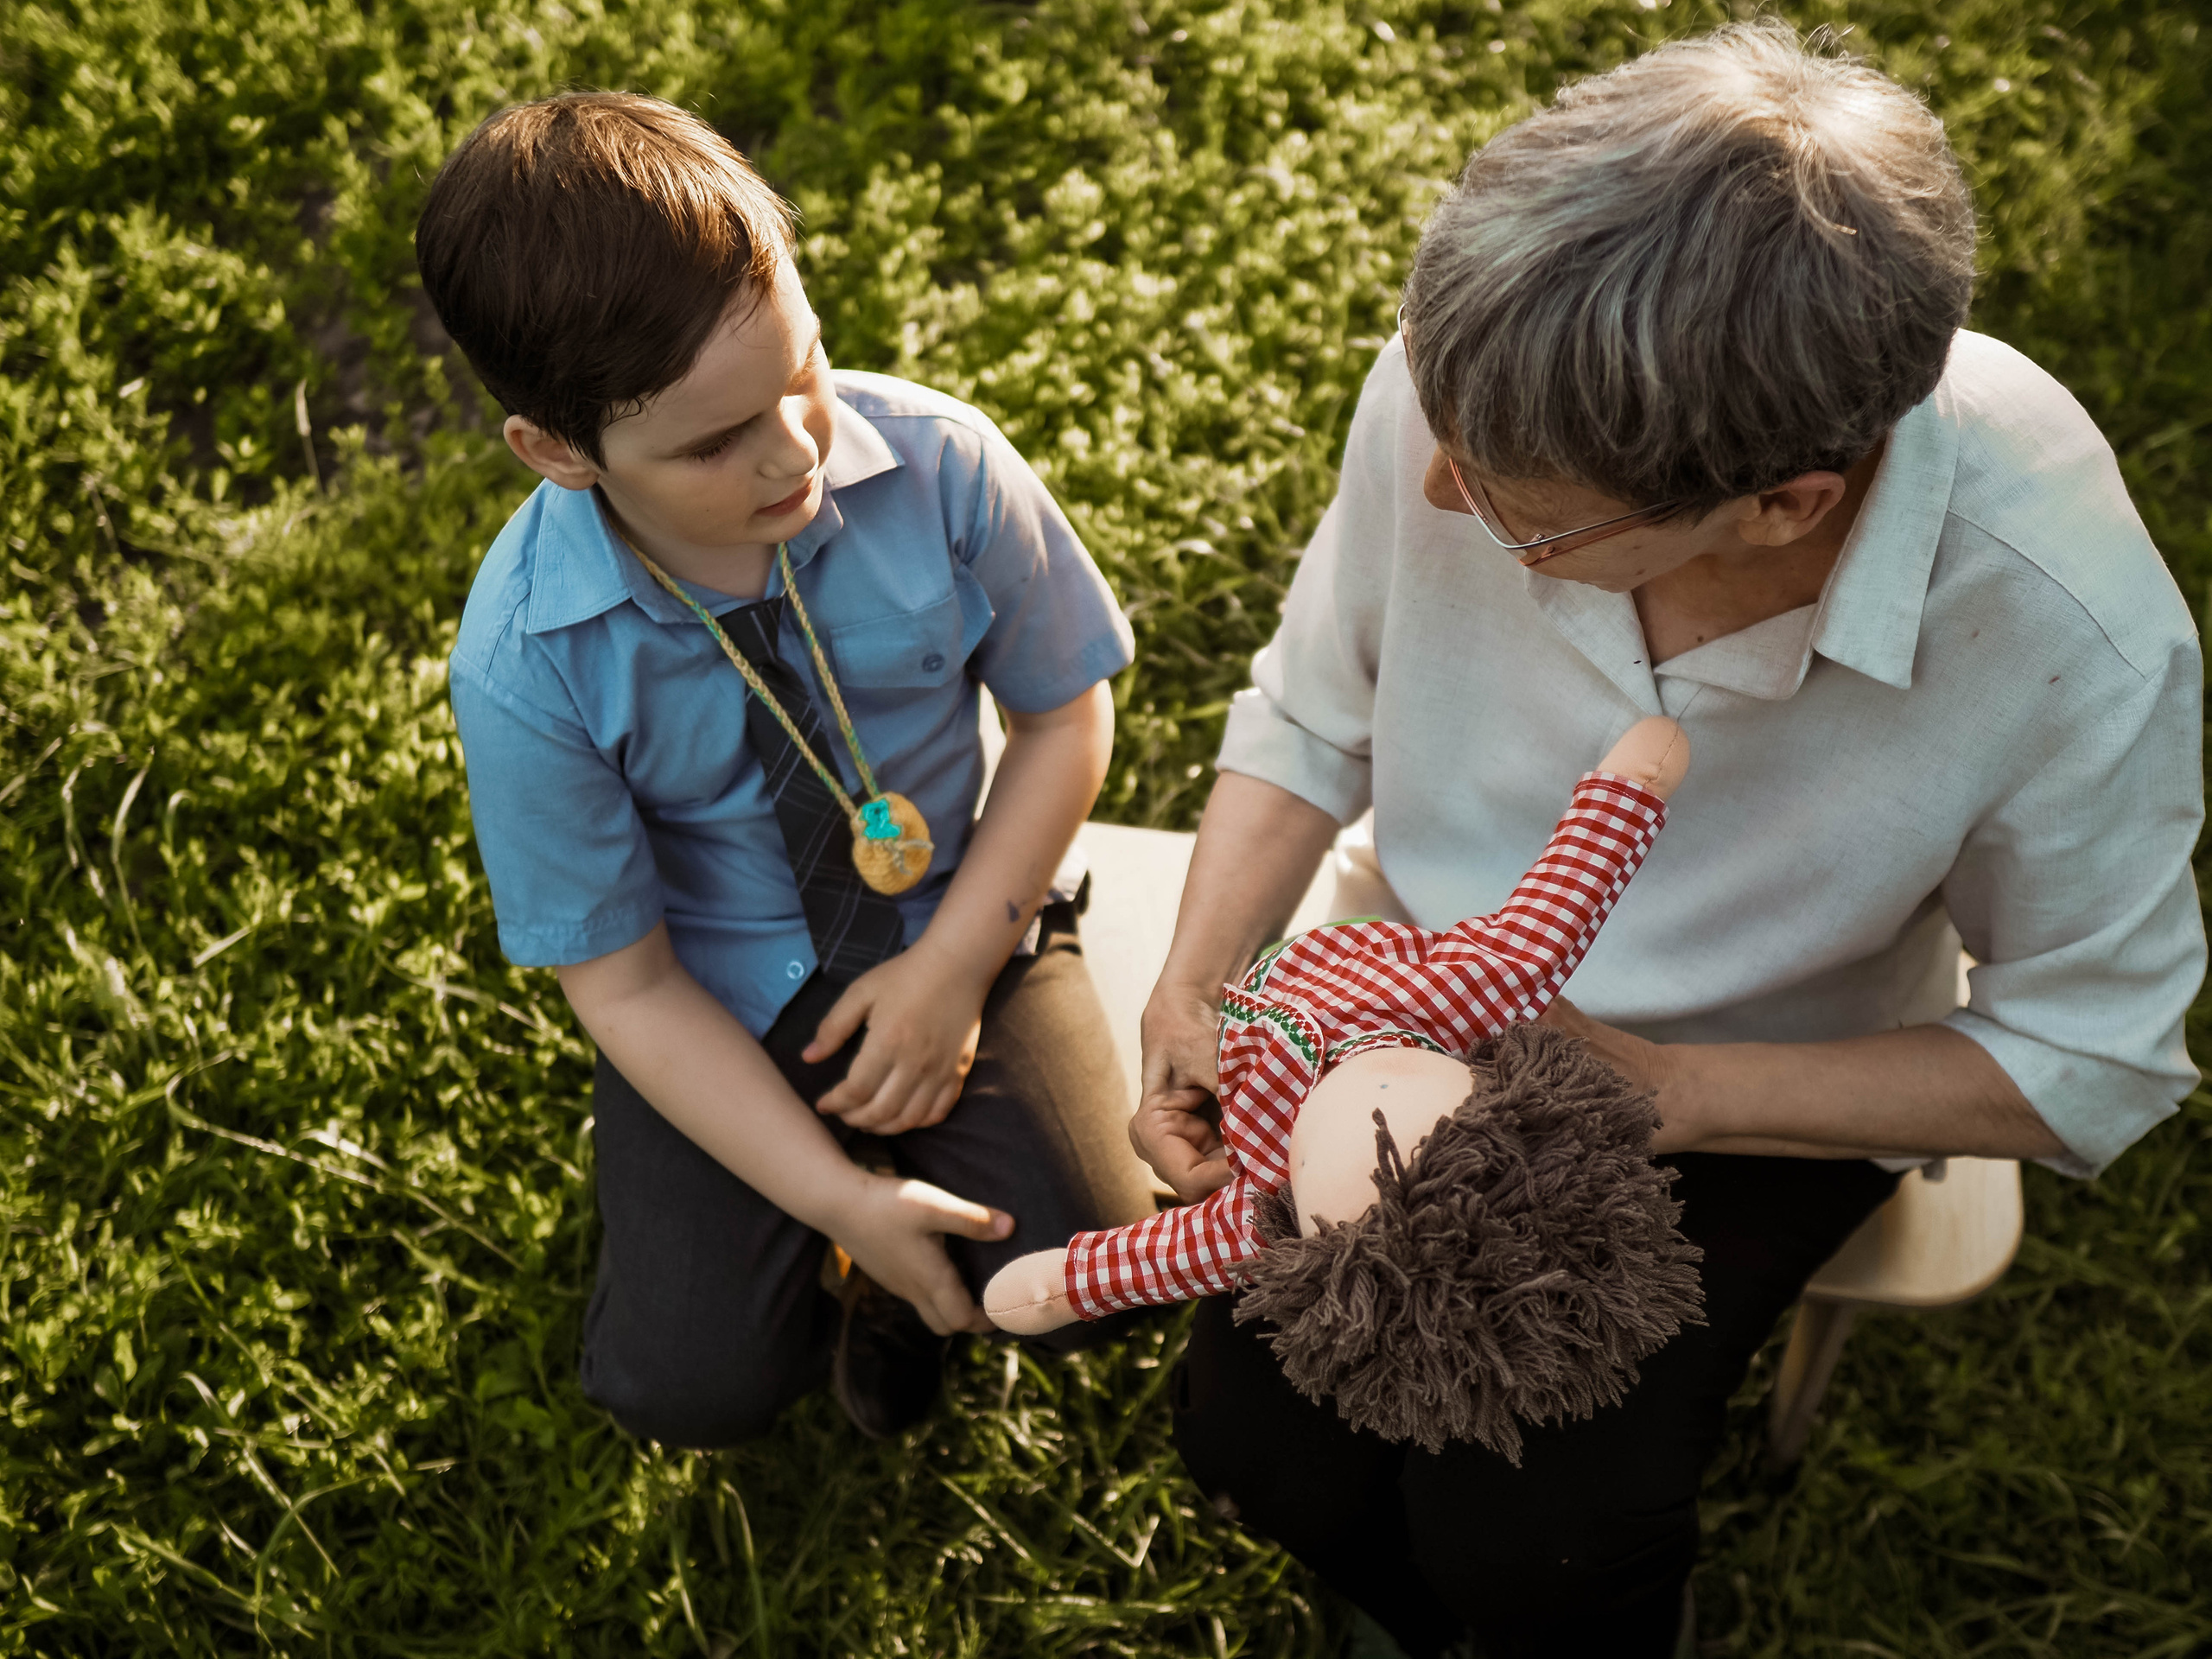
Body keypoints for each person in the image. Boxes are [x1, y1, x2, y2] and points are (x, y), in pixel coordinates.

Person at [1132, 22, 2203, 1659]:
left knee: (1540, 1541)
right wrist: (1199, 980)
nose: (1433, 494)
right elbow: (1316, 709)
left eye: (1518, 512)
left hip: (1762, 1089)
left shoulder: (2069, 631)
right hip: (1399, 999)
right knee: (1250, 1439)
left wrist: (1682, 1092)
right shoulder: (1480, 392)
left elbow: (2096, 1052)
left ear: (1786, 500)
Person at [416, 92, 1154, 1446]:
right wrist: (838, 1202)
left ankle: (911, 1181)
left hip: (965, 908)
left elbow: (1064, 720)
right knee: (691, 1388)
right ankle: (842, 1240)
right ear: (557, 452)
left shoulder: (942, 466)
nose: (795, 449)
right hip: (720, 992)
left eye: (802, 371)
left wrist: (949, 976)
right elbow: (626, 986)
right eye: (712, 442)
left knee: (1101, 1276)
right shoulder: (526, 661)